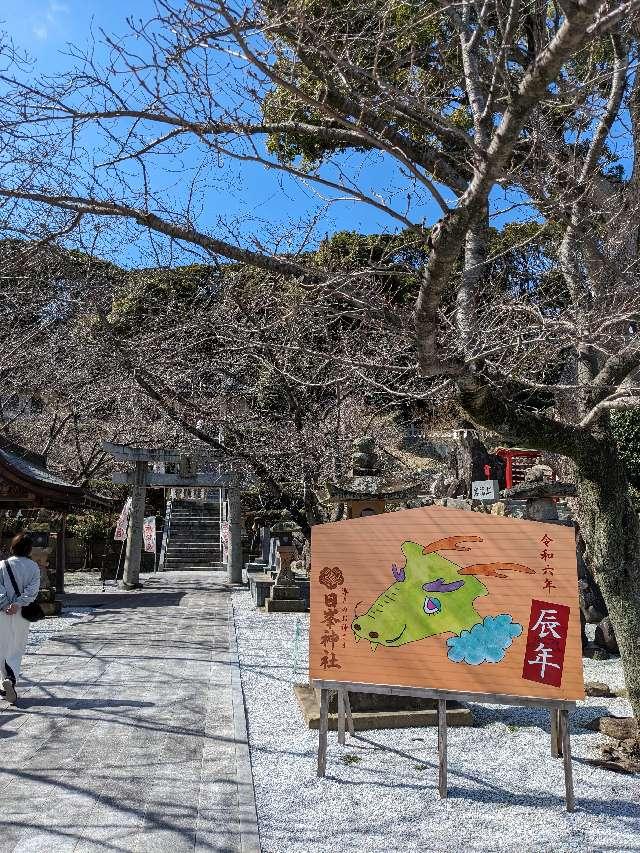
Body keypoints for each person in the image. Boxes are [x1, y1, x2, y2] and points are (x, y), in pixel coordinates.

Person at [0, 533, 41, 705]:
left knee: (2, 646)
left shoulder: (2, 565)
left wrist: (5, 604)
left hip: (2, 612)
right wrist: (17, 604)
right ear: (29, 549)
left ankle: (5, 682)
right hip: (22, 613)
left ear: (13, 547)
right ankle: (10, 679)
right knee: (17, 647)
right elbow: (32, 590)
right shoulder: (33, 567)